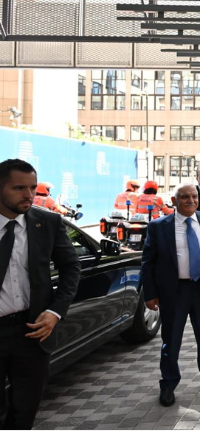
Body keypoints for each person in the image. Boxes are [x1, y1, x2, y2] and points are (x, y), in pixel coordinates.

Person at [0, 159, 80, 429]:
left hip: (33, 332)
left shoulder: (47, 222)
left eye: (33, 187)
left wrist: (55, 311)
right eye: (19, 188)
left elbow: (71, 268)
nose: (29, 195)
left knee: (25, 412)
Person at [141, 183, 200, 408]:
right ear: (174, 200)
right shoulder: (159, 226)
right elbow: (148, 262)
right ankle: (168, 384)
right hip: (174, 291)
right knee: (171, 339)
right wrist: (150, 294)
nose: (191, 200)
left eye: (194, 196)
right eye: (184, 197)